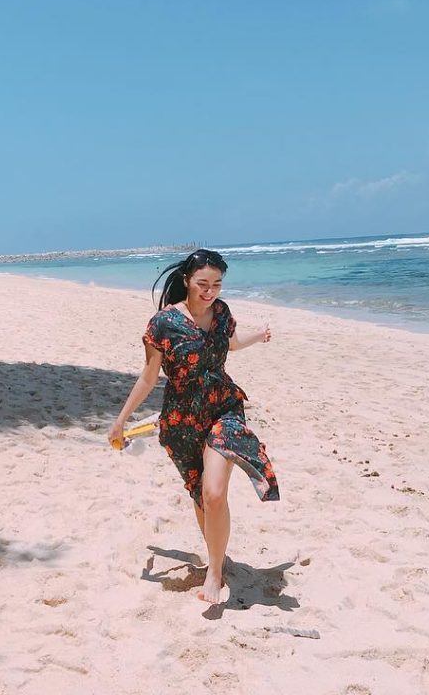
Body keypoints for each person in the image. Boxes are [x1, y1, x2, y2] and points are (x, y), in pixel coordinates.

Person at [108, 248, 279, 604]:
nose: (210, 291)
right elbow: (149, 376)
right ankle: (215, 556)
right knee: (202, 496)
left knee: (215, 493)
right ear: (187, 280)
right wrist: (121, 420)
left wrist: (258, 335)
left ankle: (215, 571)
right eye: (203, 283)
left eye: (217, 284)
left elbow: (229, 343)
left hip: (224, 408)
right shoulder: (164, 324)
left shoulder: (221, 313)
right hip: (183, 419)